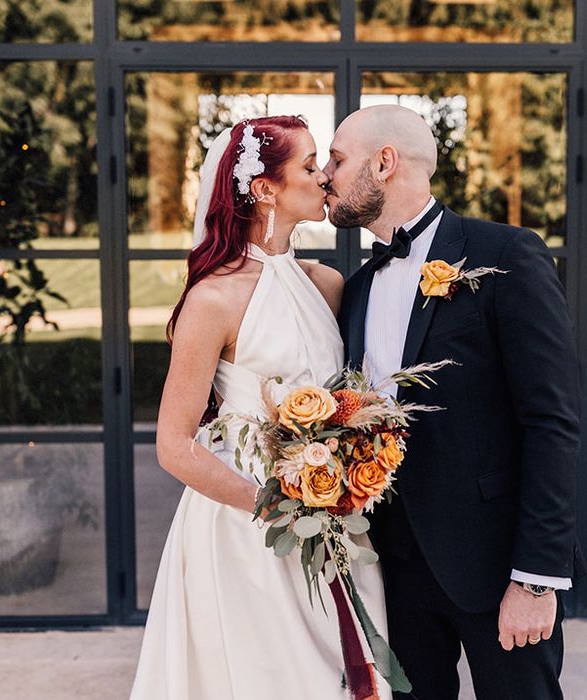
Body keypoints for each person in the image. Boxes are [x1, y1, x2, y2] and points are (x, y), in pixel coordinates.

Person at [130, 116, 391, 700]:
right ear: (265, 188)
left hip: (338, 513)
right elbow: (173, 446)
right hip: (249, 526)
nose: (326, 177)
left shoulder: (327, 283)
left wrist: (344, 478)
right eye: (309, 165)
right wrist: (280, 508)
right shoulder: (213, 299)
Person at [326, 105, 583, 699]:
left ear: (384, 162)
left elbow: (552, 422)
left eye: (337, 161)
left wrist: (537, 579)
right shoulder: (358, 288)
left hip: (497, 566)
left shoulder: (506, 254)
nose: (325, 176)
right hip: (393, 568)